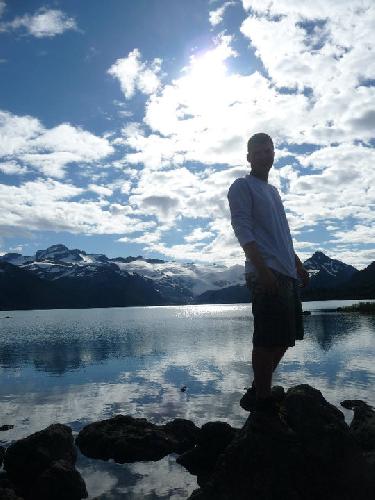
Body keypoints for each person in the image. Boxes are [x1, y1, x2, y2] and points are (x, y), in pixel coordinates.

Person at [227, 133, 309, 417]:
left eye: (269, 150)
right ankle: (262, 397)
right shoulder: (241, 186)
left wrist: (297, 264)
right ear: (249, 157)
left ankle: (258, 389)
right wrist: (262, 270)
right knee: (266, 339)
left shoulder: (272, 192)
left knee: (285, 337)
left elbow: (283, 234)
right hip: (266, 272)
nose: (265, 155)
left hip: (286, 272)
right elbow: (243, 230)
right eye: (258, 152)